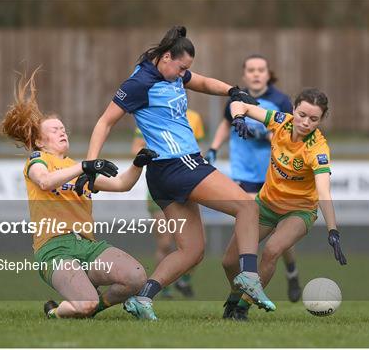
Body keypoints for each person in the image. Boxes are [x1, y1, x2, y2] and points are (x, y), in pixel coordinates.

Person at [83, 26, 275, 320]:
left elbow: (202, 82)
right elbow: (104, 123)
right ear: (166, 57)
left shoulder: (171, 73)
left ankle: (143, 299)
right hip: (179, 164)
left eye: (187, 69)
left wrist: (232, 91)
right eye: (181, 67)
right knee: (247, 207)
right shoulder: (139, 83)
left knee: (193, 250)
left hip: (164, 174)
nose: (183, 74)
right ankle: (249, 275)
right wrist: (90, 164)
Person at [0, 68, 158, 319]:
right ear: (40, 141)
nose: (62, 132)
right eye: (54, 129)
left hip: (86, 245)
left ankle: (97, 306)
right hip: (54, 249)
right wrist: (84, 166)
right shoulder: (38, 160)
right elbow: (46, 182)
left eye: (63, 128)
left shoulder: (78, 169)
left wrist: (138, 164)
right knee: (84, 304)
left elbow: (122, 184)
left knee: (136, 277)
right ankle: (54, 312)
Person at [221, 88, 347, 321]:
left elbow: (323, 191)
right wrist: (239, 117)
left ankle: (242, 308)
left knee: (272, 250)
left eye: (313, 119)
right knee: (229, 261)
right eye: (301, 115)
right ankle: (235, 297)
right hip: (266, 205)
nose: (305, 122)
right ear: (293, 110)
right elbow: (241, 105)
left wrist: (333, 230)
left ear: (322, 120)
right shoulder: (280, 121)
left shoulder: (318, 149)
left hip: (299, 211)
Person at [205, 54, 303, 306]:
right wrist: (214, 148)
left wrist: (265, 133)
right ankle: (243, 291)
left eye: (261, 69)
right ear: (244, 74)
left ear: (268, 74)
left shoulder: (280, 101)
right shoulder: (237, 99)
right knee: (249, 232)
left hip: (274, 178)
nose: (256, 74)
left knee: (279, 235)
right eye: (251, 70)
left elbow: (292, 136)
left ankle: (290, 270)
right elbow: (227, 124)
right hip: (244, 177)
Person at [131, 108, 205, 298]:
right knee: (165, 243)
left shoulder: (194, 117)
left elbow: (198, 149)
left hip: (186, 185)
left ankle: (184, 281)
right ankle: (163, 287)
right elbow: (136, 148)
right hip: (161, 188)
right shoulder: (152, 115)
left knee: (198, 243)